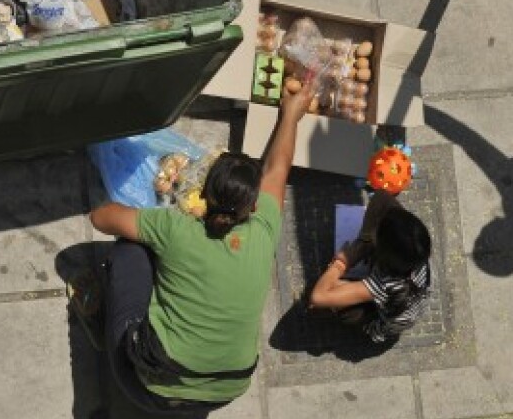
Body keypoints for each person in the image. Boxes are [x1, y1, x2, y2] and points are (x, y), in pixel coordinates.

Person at [86, 80, 315, 414]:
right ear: (252, 207)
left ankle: (109, 329)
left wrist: (156, 222)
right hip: (226, 390)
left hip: (145, 384)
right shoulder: (265, 229)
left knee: (130, 249)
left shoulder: (176, 227)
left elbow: (100, 217)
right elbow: (277, 168)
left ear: (204, 195)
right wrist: (291, 116)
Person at [307, 191, 432, 343]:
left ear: (382, 252)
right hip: (399, 294)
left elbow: (319, 296)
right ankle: (364, 246)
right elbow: (382, 197)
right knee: (383, 202)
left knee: (343, 310)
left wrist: (340, 263)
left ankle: (360, 322)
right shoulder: (416, 253)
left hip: (380, 317)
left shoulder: (384, 283)